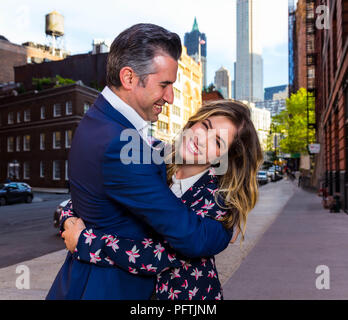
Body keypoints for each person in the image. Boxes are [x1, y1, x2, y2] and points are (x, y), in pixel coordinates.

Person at [46, 23, 232, 300]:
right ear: (129, 77)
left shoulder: (98, 120)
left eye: (219, 141)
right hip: (109, 289)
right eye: (165, 85)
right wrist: (224, 232)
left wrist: (73, 224)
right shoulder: (122, 144)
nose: (170, 97)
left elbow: (99, 197)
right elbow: (189, 238)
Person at [60, 100, 263, 300]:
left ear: (225, 157)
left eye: (217, 142)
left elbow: (155, 255)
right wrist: (69, 220)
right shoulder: (150, 155)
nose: (201, 139)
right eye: (205, 126)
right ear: (194, 122)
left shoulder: (218, 203)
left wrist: (84, 241)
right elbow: (93, 191)